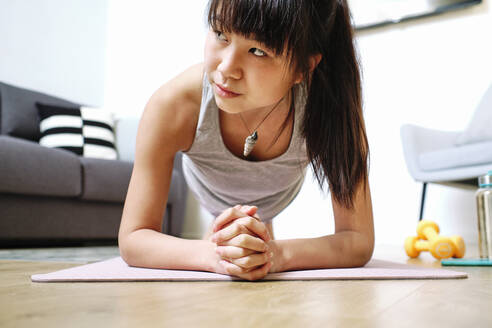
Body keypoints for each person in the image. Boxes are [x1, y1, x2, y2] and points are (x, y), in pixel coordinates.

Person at [118, 0, 374, 281]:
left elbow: (358, 239)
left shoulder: (328, 105)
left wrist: (276, 255)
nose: (227, 69)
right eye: (220, 34)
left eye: (257, 51)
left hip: (277, 195)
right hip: (210, 191)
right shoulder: (173, 104)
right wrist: (217, 256)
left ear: (303, 68)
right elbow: (133, 237)